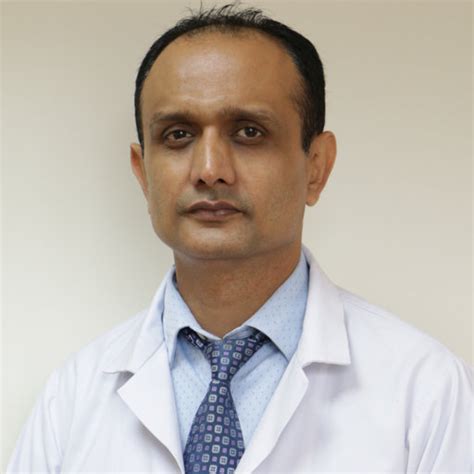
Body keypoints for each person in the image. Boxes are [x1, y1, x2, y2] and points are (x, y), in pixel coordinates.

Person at [7, 4, 472, 473]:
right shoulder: (71, 399)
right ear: (142, 172)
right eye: (178, 134)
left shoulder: (427, 392)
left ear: (316, 167)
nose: (210, 170)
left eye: (249, 132)